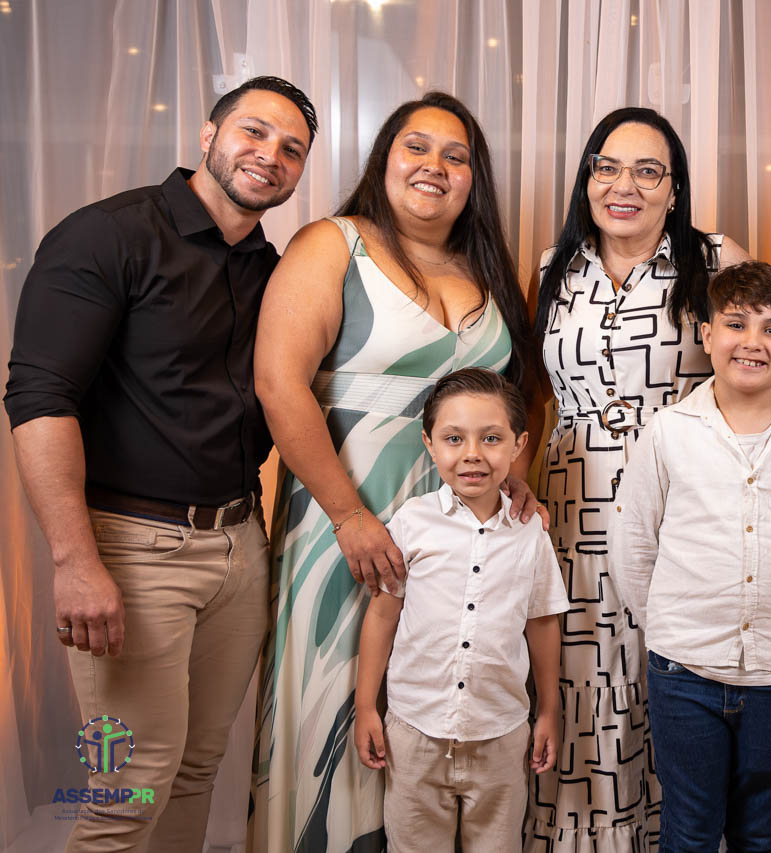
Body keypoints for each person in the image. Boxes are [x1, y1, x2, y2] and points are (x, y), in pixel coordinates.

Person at [4, 76, 315, 850]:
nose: (270, 155)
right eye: (253, 131)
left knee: (196, 768)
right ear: (208, 135)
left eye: (292, 149)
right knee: (127, 787)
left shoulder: (271, 269)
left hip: (240, 544)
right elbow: (39, 396)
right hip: (132, 548)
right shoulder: (110, 235)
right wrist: (75, 560)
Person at [251, 92, 539, 852]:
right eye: (417, 147)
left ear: (474, 179)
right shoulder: (332, 244)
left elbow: (513, 398)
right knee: (335, 707)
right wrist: (349, 516)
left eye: (456, 156)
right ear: (384, 159)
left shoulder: (488, 269)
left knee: (443, 703)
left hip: (458, 530)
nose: (434, 165)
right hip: (344, 517)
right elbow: (279, 383)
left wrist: (512, 471)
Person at [526, 107, 750, 850]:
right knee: (576, 679)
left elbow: (759, 374)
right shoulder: (550, 270)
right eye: (607, 167)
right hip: (571, 506)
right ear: (587, 178)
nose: (624, 185)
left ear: (674, 189)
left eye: (648, 171)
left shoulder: (715, 260)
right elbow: (532, 393)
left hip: (683, 505)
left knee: (673, 681)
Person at [608, 261, 771, 851]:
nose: (752, 342)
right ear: (707, 335)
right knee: (689, 827)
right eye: (736, 324)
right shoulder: (669, 432)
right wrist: (671, 627)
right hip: (683, 672)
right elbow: (633, 545)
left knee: (760, 830)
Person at [352, 368, 569, 852]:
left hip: (501, 734)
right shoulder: (412, 522)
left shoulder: (530, 532)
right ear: (429, 444)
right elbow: (383, 616)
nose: (472, 453)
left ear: (518, 445)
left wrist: (549, 711)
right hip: (414, 731)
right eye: (454, 438)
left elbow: (542, 622)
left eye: (491, 438)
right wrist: (366, 706)